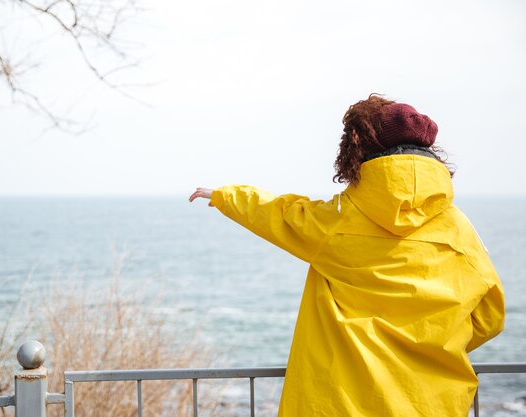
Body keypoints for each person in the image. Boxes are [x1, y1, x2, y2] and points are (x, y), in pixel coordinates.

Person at [188, 94, 505, 417]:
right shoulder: (459, 229)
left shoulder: (338, 220)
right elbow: (489, 318)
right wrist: (432, 343)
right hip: (431, 402)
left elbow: (278, 215)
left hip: (343, 403)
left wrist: (225, 197)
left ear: (357, 151)